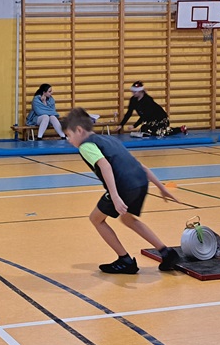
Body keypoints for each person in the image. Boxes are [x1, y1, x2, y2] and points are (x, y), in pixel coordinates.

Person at [63, 107, 181, 275]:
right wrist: (161, 187)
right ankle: (166, 253)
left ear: (79, 130)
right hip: (140, 182)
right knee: (128, 219)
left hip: (124, 187)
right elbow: (139, 165)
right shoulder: (109, 140)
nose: (68, 140)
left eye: (69, 135)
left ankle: (125, 260)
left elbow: (105, 166)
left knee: (96, 219)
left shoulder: (86, 146)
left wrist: (115, 196)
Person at [120, 81, 187, 138]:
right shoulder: (133, 100)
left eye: (135, 92)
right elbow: (129, 113)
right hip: (150, 121)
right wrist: (121, 124)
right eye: (133, 92)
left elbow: (145, 116)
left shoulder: (148, 100)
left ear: (140, 91)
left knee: (159, 132)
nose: (133, 93)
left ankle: (180, 129)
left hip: (161, 119)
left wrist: (134, 125)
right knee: (144, 129)